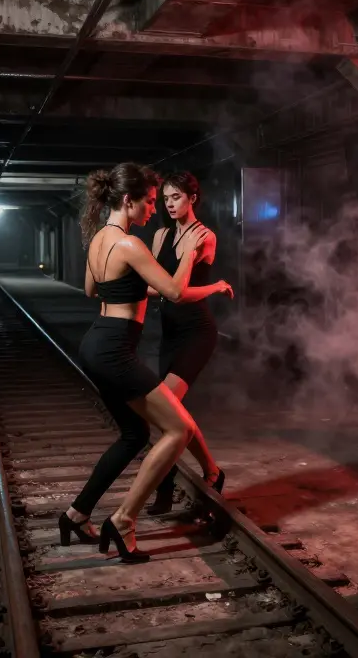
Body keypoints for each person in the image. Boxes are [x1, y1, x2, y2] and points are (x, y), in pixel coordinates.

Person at [59, 163, 233, 563]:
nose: (154, 209)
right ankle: (123, 520)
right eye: (150, 201)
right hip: (115, 350)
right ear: (128, 200)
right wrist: (189, 255)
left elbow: (91, 289)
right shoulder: (131, 244)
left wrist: (136, 287)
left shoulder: (100, 238)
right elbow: (174, 291)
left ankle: (76, 514)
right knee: (179, 429)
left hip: (96, 342)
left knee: (134, 434)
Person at [146, 172, 226, 515]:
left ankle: (164, 491)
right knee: (170, 413)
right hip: (169, 332)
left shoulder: (205, 237)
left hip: (196, 332)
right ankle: (212, 471)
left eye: (176, 197)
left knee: (165, 410)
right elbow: (154, 287)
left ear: (192, 198)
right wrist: (210, 287)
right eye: (165, 198)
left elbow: (177, 294)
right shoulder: (161, 235)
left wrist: (176, 291)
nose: (169, 204)